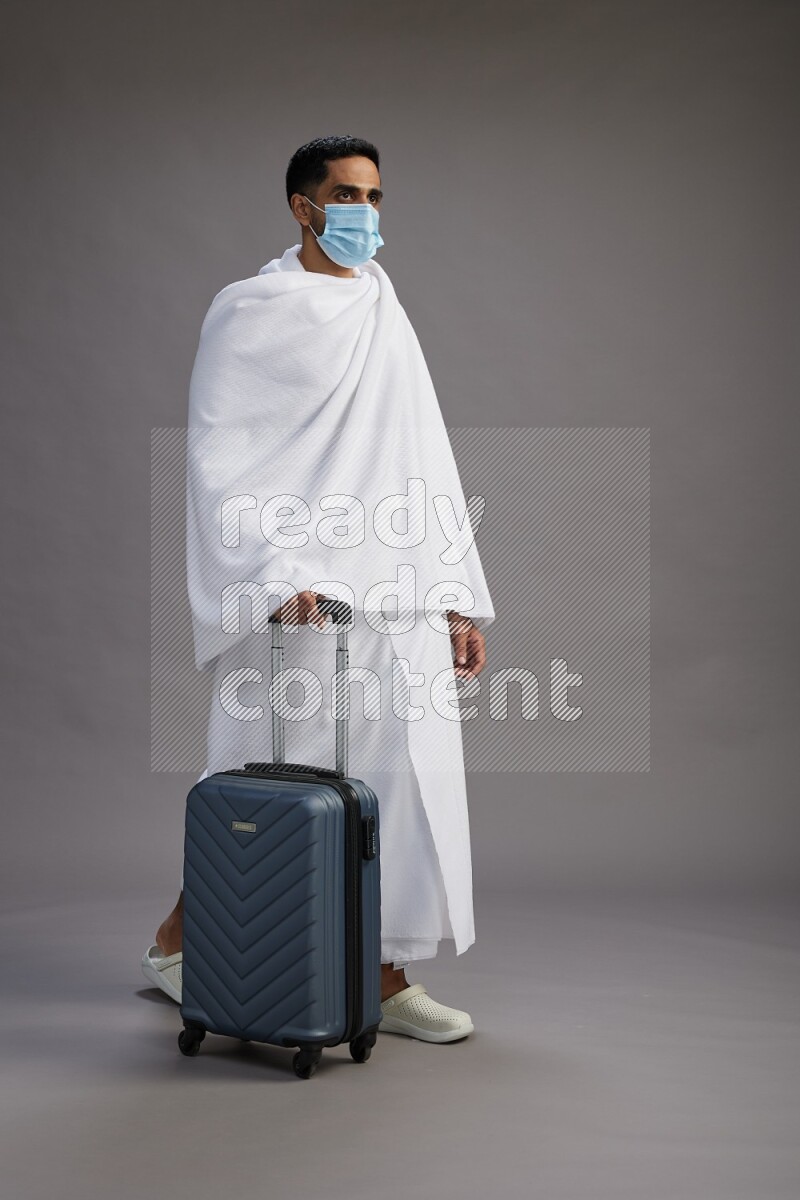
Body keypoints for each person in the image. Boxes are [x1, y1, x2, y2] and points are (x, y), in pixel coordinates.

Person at [142, 135, 494, 1043]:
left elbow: (424, 454)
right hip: (302, 600)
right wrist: (270, 577)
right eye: (346, 195)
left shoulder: (382, 304)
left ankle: (384, 977)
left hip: (399, 595)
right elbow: (224, 454)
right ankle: (185, 945)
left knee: (397, 791)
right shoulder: (251, 310)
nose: (364, 214)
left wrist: (456, 593)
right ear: (302, 206)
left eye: (375, 197)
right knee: (280, 784)